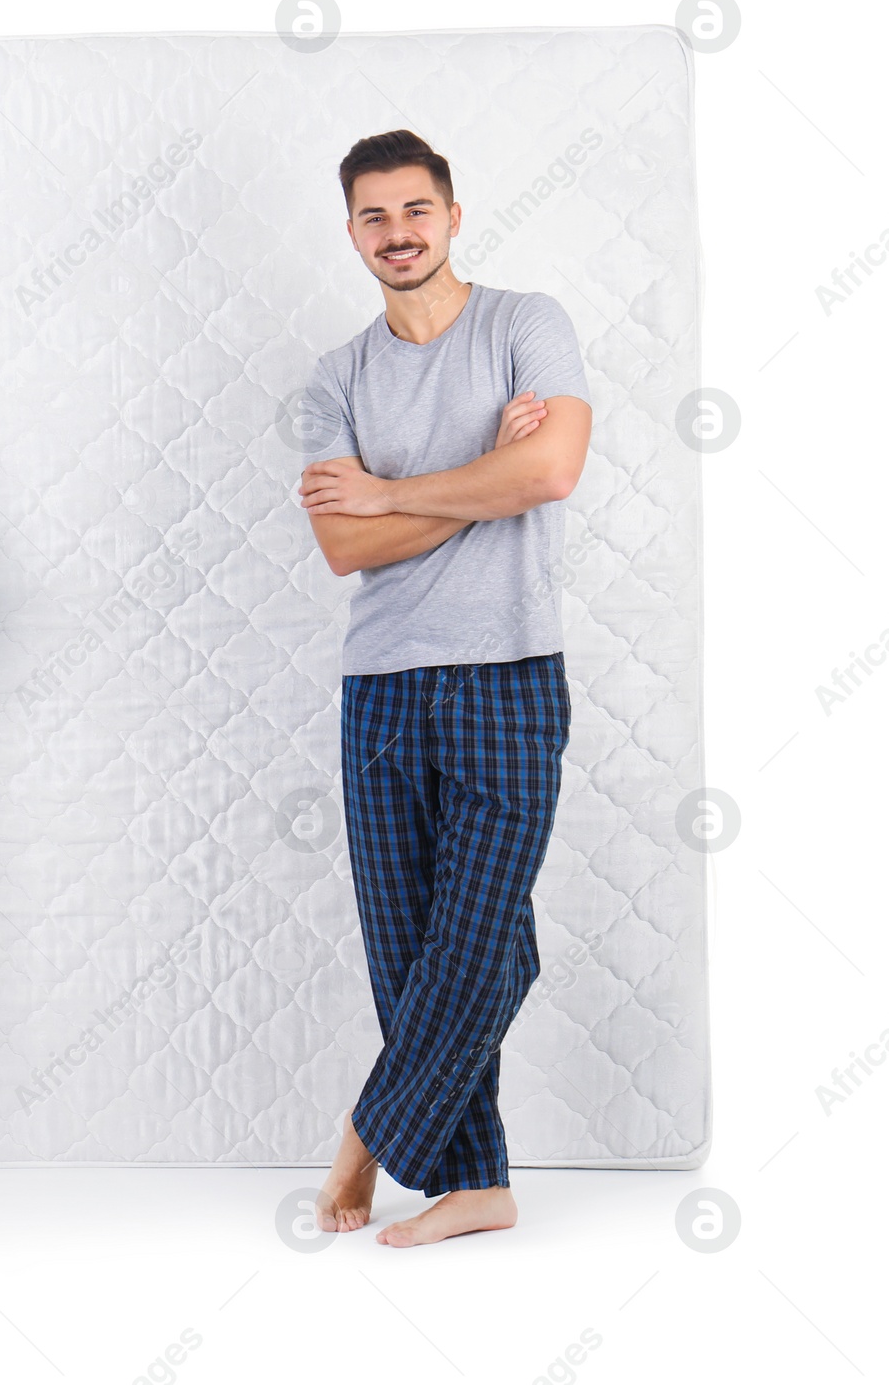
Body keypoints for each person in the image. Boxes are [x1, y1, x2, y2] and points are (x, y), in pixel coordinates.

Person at [297, 130, 592, 1246]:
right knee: (409, 941)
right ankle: (478, 1184)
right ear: (352, 233)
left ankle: (362, 1143)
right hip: (380, 688)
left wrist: (389, 492)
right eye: (375, 217)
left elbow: (551, 469)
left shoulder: (527, 325)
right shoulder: (337, 377)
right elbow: (340, 549)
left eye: (416, 210)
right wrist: (481, 481)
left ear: (453, 214)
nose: (399, 233)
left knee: (484, 938)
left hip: (510, 672)